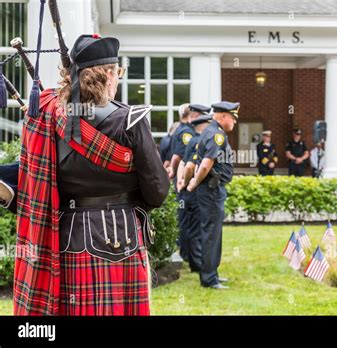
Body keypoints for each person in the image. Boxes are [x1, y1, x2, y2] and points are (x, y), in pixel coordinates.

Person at [14, 34, 169, 316]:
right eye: (118, 72)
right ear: (109, 74)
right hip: (120, 235)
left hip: (66, 235)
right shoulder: (130, 119)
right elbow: (157, 191)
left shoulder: (49, 115)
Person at [187, 101, 239, 289]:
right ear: (224, 116)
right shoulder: (216, 135)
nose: (234, 122)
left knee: (213, 233)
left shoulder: (211, 132)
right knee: (210, 233)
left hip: (212, 189)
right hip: (211, 190)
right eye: (233, 118)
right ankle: (208, 279)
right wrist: (195, 182)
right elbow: (207, 164)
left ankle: (212, 274)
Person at [169, 103, 211, 262]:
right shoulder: (187, 133)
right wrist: (180, 179)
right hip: (187, 183)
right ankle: (187, 255)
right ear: (194, 116)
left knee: (185, 218)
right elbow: (180, 159)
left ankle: (186, 254)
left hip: (183, 181)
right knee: (188, 221)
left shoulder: (181, 129)